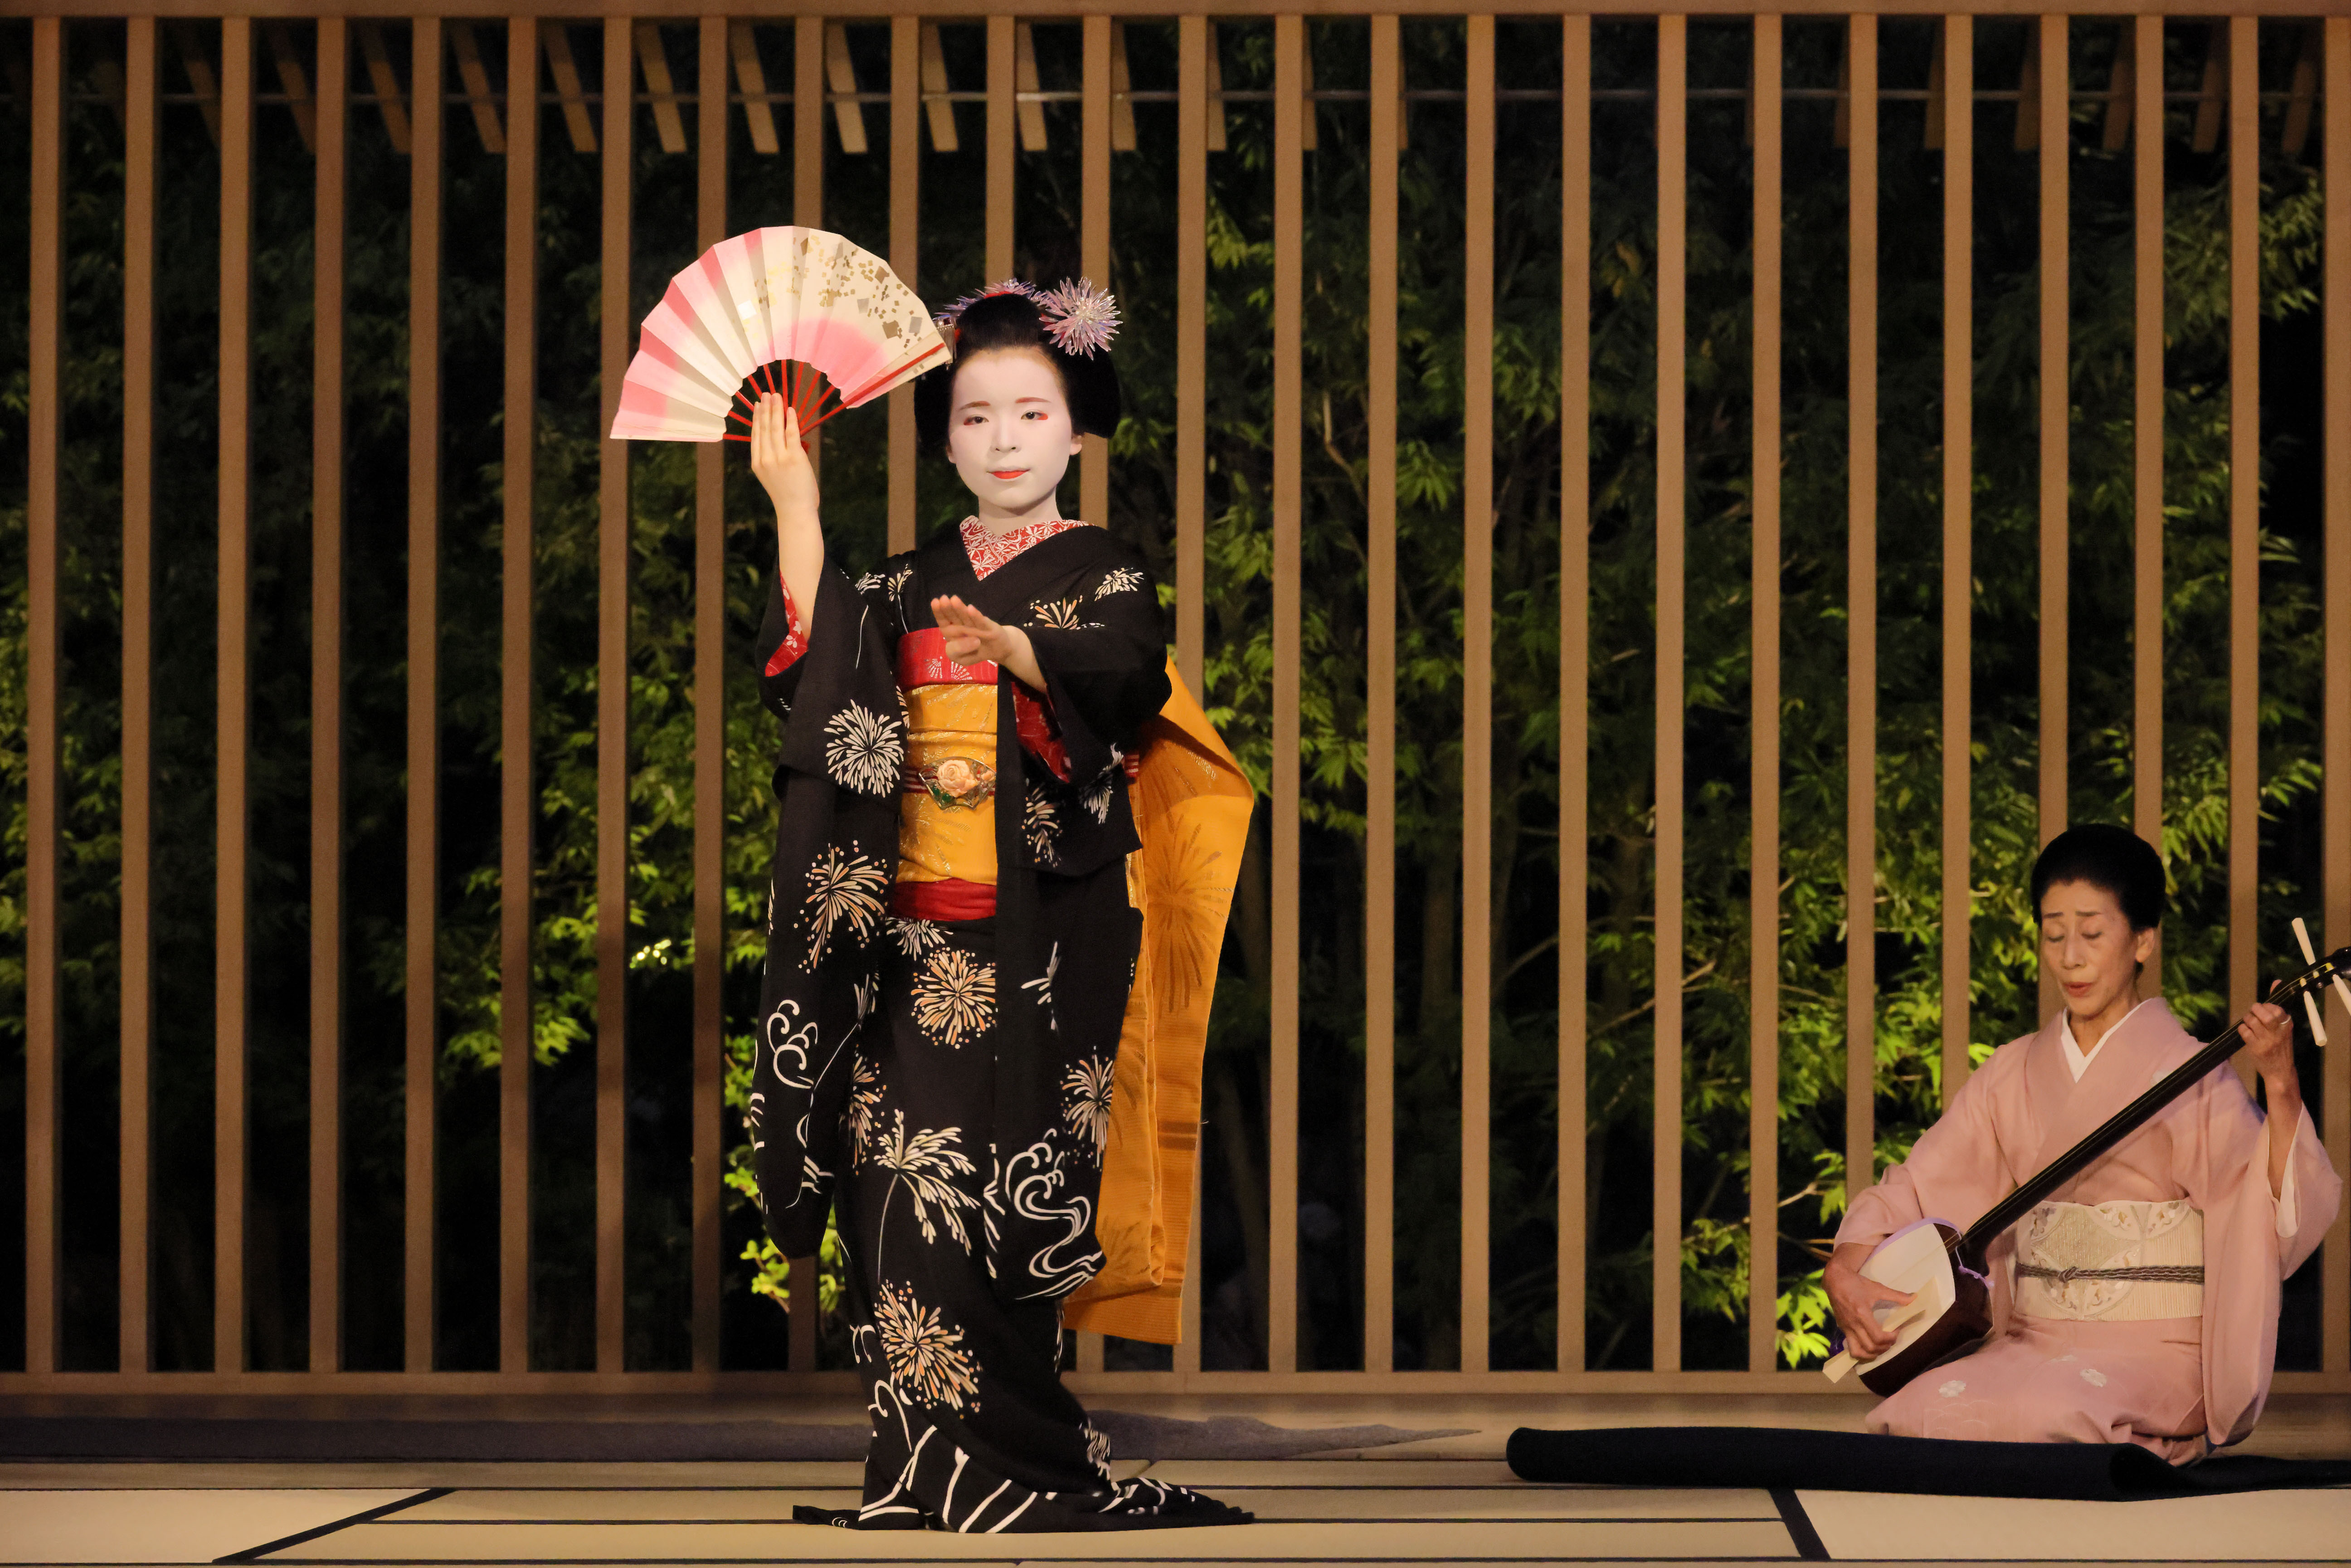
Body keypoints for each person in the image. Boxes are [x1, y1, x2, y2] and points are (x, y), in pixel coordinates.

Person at [744, 279, 1253, 1530]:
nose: (1006, 437)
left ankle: (1026, 1457)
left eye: (1033, 411)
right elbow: (817, 681)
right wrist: (796, 505)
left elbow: (1127, 676)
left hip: (1048, 935)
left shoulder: (1105, 572)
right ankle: (928, 1464)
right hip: (910, 934)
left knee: (1009, 1183)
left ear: (1077, 430)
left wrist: (1024, 653)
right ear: (947, 441)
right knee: (897, 1183)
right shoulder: (913, 578)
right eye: (976, 418)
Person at [1828, 824, 2341, 1461]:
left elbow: (2266, 1212)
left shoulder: (2190, 1074)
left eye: (2092, 934)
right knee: (1923, 1411)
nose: (2070, 955)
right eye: (2052, 933)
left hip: (2155, 1347)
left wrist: (2281, 1083)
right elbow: (1915, 1184)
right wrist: (1845, 1268)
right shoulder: (2011, 1073)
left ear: (2143, 941)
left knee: (2051, 1413)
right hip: (2031, 1338)